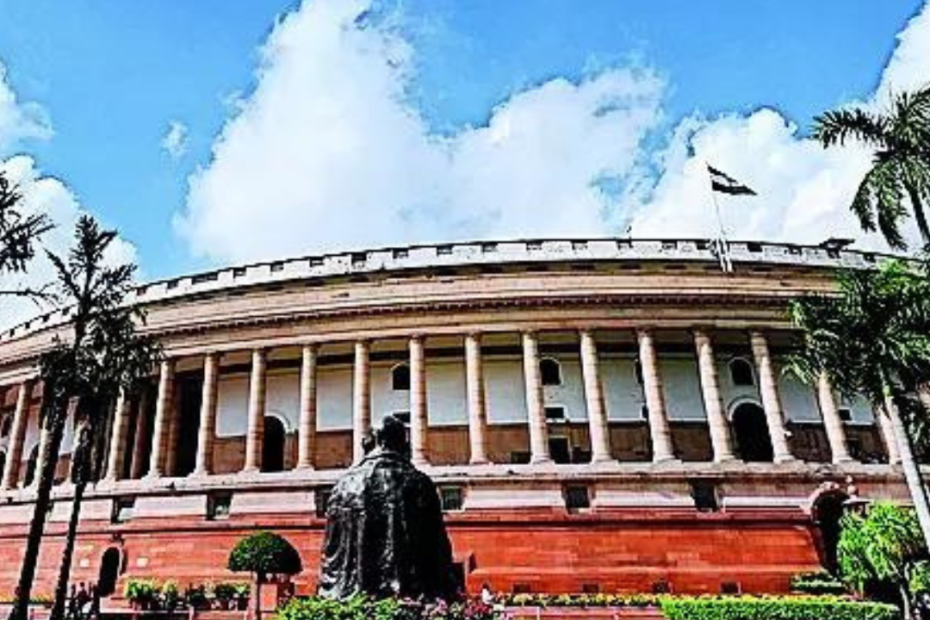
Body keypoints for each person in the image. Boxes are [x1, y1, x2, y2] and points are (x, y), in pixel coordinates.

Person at [318, 415, 460, 600]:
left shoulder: (343, 484)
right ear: (400, 443)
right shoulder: (420, 483)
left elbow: (331, 550)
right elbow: (438, 549)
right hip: (409, 596)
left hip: (349, 597)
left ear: (369, 443)